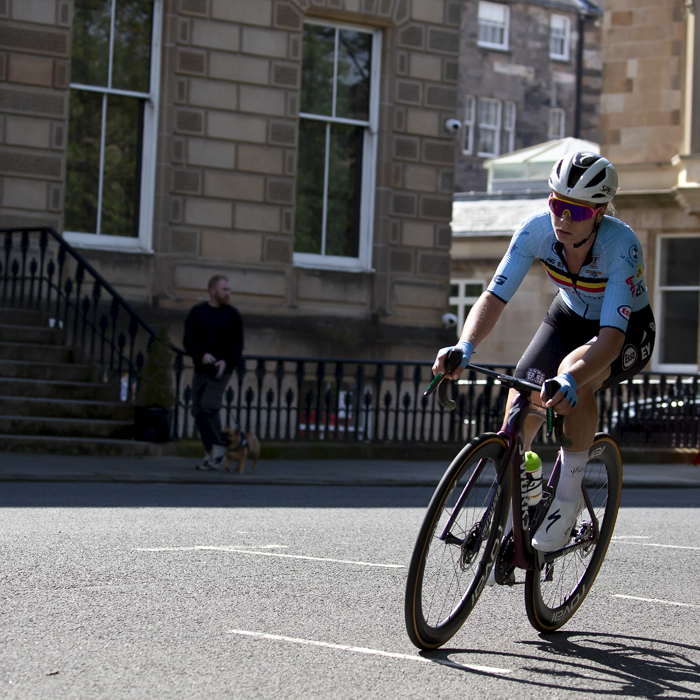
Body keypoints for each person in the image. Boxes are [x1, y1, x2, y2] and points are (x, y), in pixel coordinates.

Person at [433, 151, 655, 553]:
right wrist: (465, 344)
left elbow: (610, 337)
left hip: (624, 332)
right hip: (568, 315)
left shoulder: (622, 245)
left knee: (574, 376)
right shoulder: (535, 230)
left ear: (600, 212)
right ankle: (526, 478)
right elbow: (495, 296)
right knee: (523, 391)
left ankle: (567, 499)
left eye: (577, 211)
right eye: (557, 205)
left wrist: (571, 378)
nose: (564, 219)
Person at [183, 275, 244, 470]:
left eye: (229, 289)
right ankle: (210, 451)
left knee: (209, 405)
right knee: (197, 410)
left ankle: (219, 449)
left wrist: (226, 362)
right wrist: (201, 355)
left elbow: (237, 345)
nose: (228, 293)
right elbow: (188, 340)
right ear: (212, 291)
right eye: (224, 289)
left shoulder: (233, 315)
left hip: (222, 369)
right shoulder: (197, 312)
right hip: (202, 367)